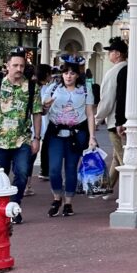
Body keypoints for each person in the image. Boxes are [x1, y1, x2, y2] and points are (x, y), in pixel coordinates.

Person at [0, 47, 41, 224]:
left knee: (22, 173)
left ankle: (14, 207)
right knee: (1, 177)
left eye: (22, 66)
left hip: (23, 140)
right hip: (0, 140)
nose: (19, 69)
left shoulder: (32, 88)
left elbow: (36, 113)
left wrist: (37, 138)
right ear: (7, 65)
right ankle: (1, 209)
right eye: (15, 65)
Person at [42, 54, 97, 216]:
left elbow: (90, 114)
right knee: (54, 168)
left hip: (76, 133)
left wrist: (92, 137)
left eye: (72, 73)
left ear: (77, 75)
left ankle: (68, 202)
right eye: (66, 73)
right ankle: (56, 198)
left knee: (71, 168)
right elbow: (42, 111)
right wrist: (46, 106)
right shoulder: (53, 88)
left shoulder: (85, 90)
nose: (68, 76)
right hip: (56, 133)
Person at [94, 36, 127, 197]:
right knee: (117, 156)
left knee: (123, 159)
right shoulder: (131, 69)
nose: (109, 54)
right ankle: (107, 187)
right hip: (129, 120)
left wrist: (97, 118)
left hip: (116, 121)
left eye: (111, 51)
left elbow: (107, 99)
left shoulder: (113, 72)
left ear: (118, 54)